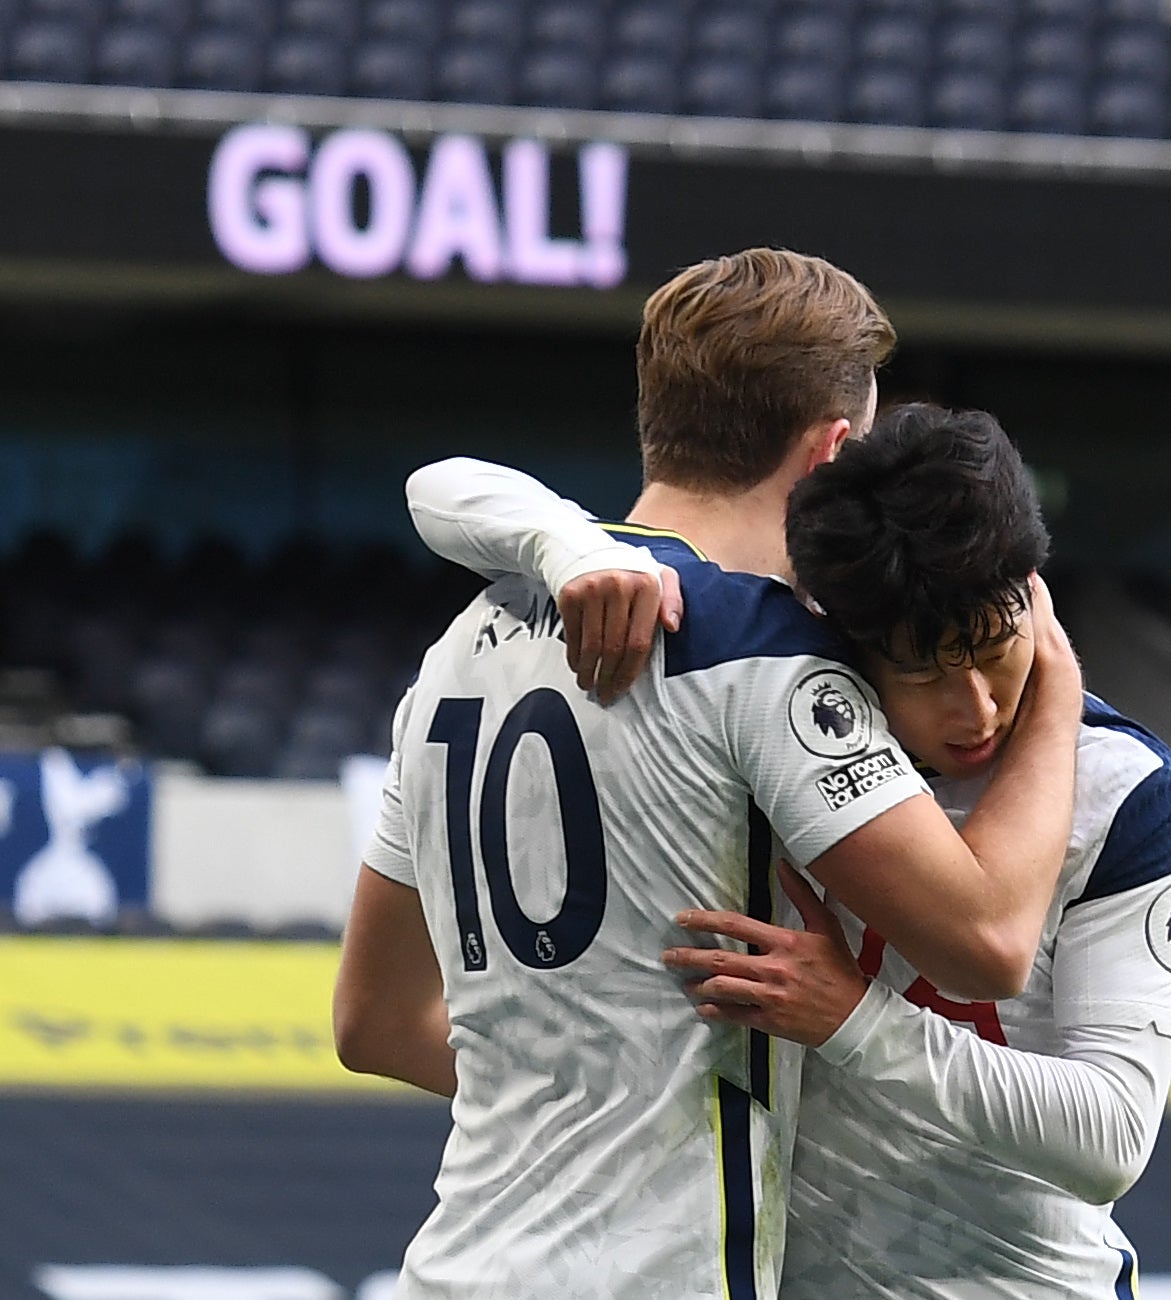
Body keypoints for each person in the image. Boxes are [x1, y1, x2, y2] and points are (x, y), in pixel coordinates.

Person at [333, 249, 1084, 1300]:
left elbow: (369, 1021)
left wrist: (580, 1084)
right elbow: (991, 940)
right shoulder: (761, 652)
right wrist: (1052, 680)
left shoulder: (465, 641)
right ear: (832, 453)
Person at [464, 404, 1171, 1298]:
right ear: (838, 647)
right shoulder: (775, 726)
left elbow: (1111, 1138)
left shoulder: (1127, 794)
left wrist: (855, 1020)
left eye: (993, 651)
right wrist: (566, 546)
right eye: (923, 674)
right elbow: (446, 487)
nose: (973, 710)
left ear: (1032, 595)